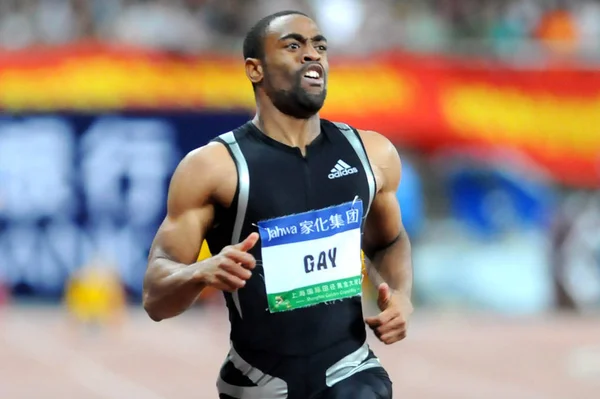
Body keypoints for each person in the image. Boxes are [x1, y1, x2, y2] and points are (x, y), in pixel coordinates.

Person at [142, 10, 413, 399]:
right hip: (257, 383)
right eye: (293, 45)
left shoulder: (371, 154)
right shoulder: (214, 168)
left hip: (351, 372)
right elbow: (155, 297)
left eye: (320, 46)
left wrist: (401, 294)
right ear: (255, 69)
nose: (312, 55)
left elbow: (388, 240)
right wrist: (201, 272)